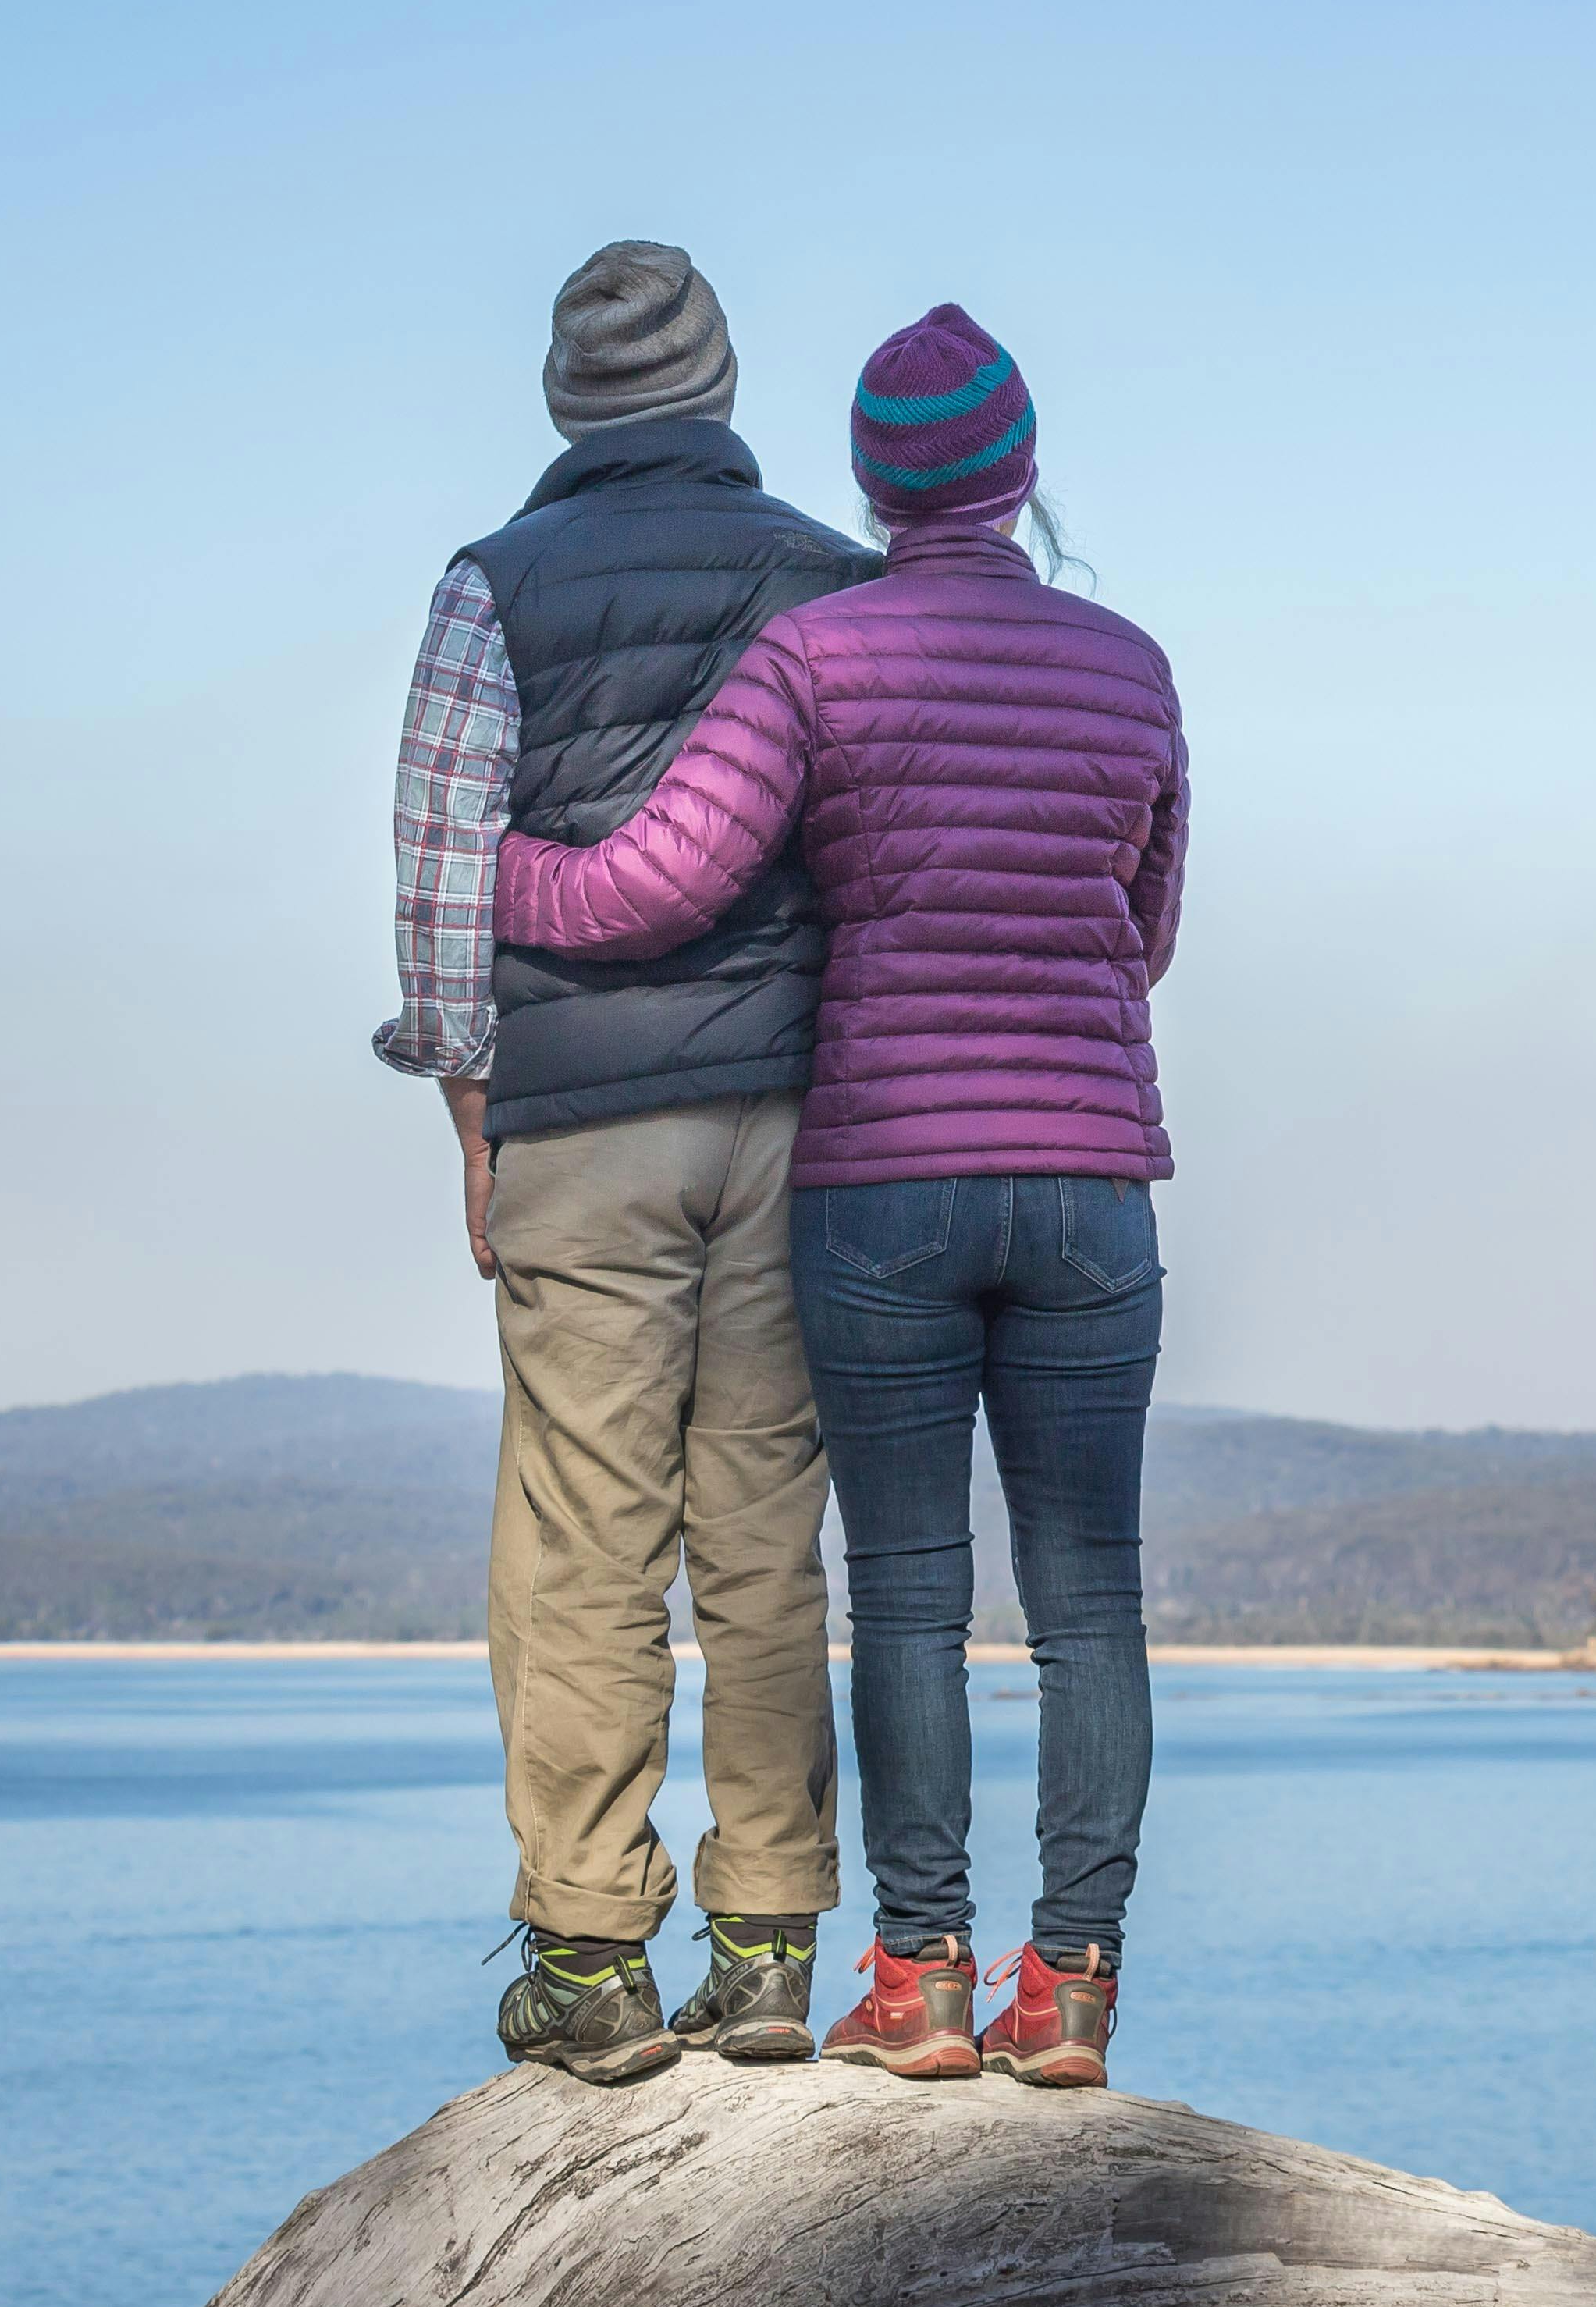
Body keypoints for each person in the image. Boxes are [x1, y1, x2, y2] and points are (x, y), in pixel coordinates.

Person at [495, 304, 1184, 2089]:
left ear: (878, 483)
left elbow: (663, 877)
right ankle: (1078, 1989)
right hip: (1096, 1175)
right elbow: (1149, 928)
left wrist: (500, 874)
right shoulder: (1131, 665)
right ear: (1023, 470)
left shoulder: (825, 659)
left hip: (882, 1172)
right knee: (1089, 1596)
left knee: (905, 1586)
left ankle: (925, 1976)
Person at [375, 242, 876, 2086]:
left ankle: (590, 1956)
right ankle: (765, 1951)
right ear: (724, 389)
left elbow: (439, 879)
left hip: (580, 1118)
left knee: (586, 1533)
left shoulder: (488, 588)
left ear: (564, 405)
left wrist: (470, 1116)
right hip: (798, 1113)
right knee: (763, 1528)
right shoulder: (834, 580)